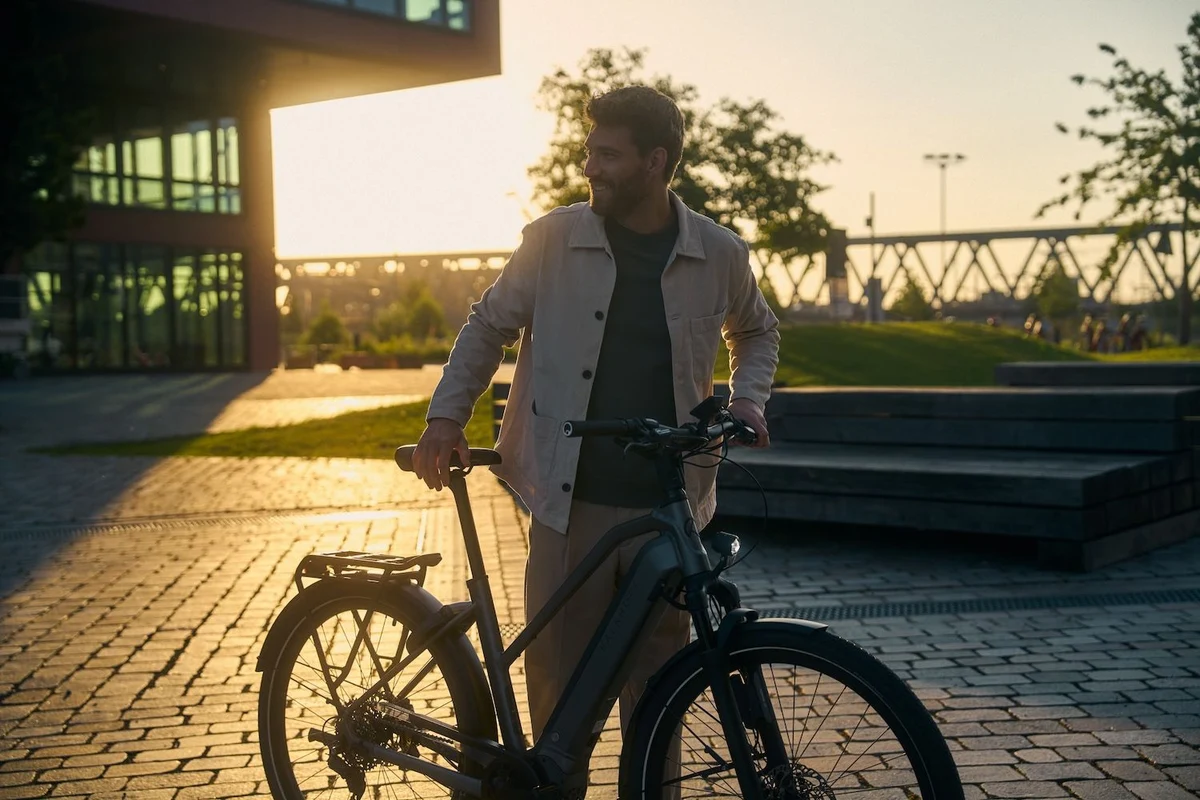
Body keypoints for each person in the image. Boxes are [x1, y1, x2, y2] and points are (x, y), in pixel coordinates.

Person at [411, 85, 780, 744]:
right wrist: (445, 419)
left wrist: (748, 396)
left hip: (670, 510)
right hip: (567, 507)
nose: (590, 167)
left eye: (608, 155)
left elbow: (756, 331)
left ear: (655, 161)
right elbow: (488, 325)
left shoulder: (719, 252)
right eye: (590, 152)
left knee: (661, 703)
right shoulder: (551, 240)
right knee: (561, 711)